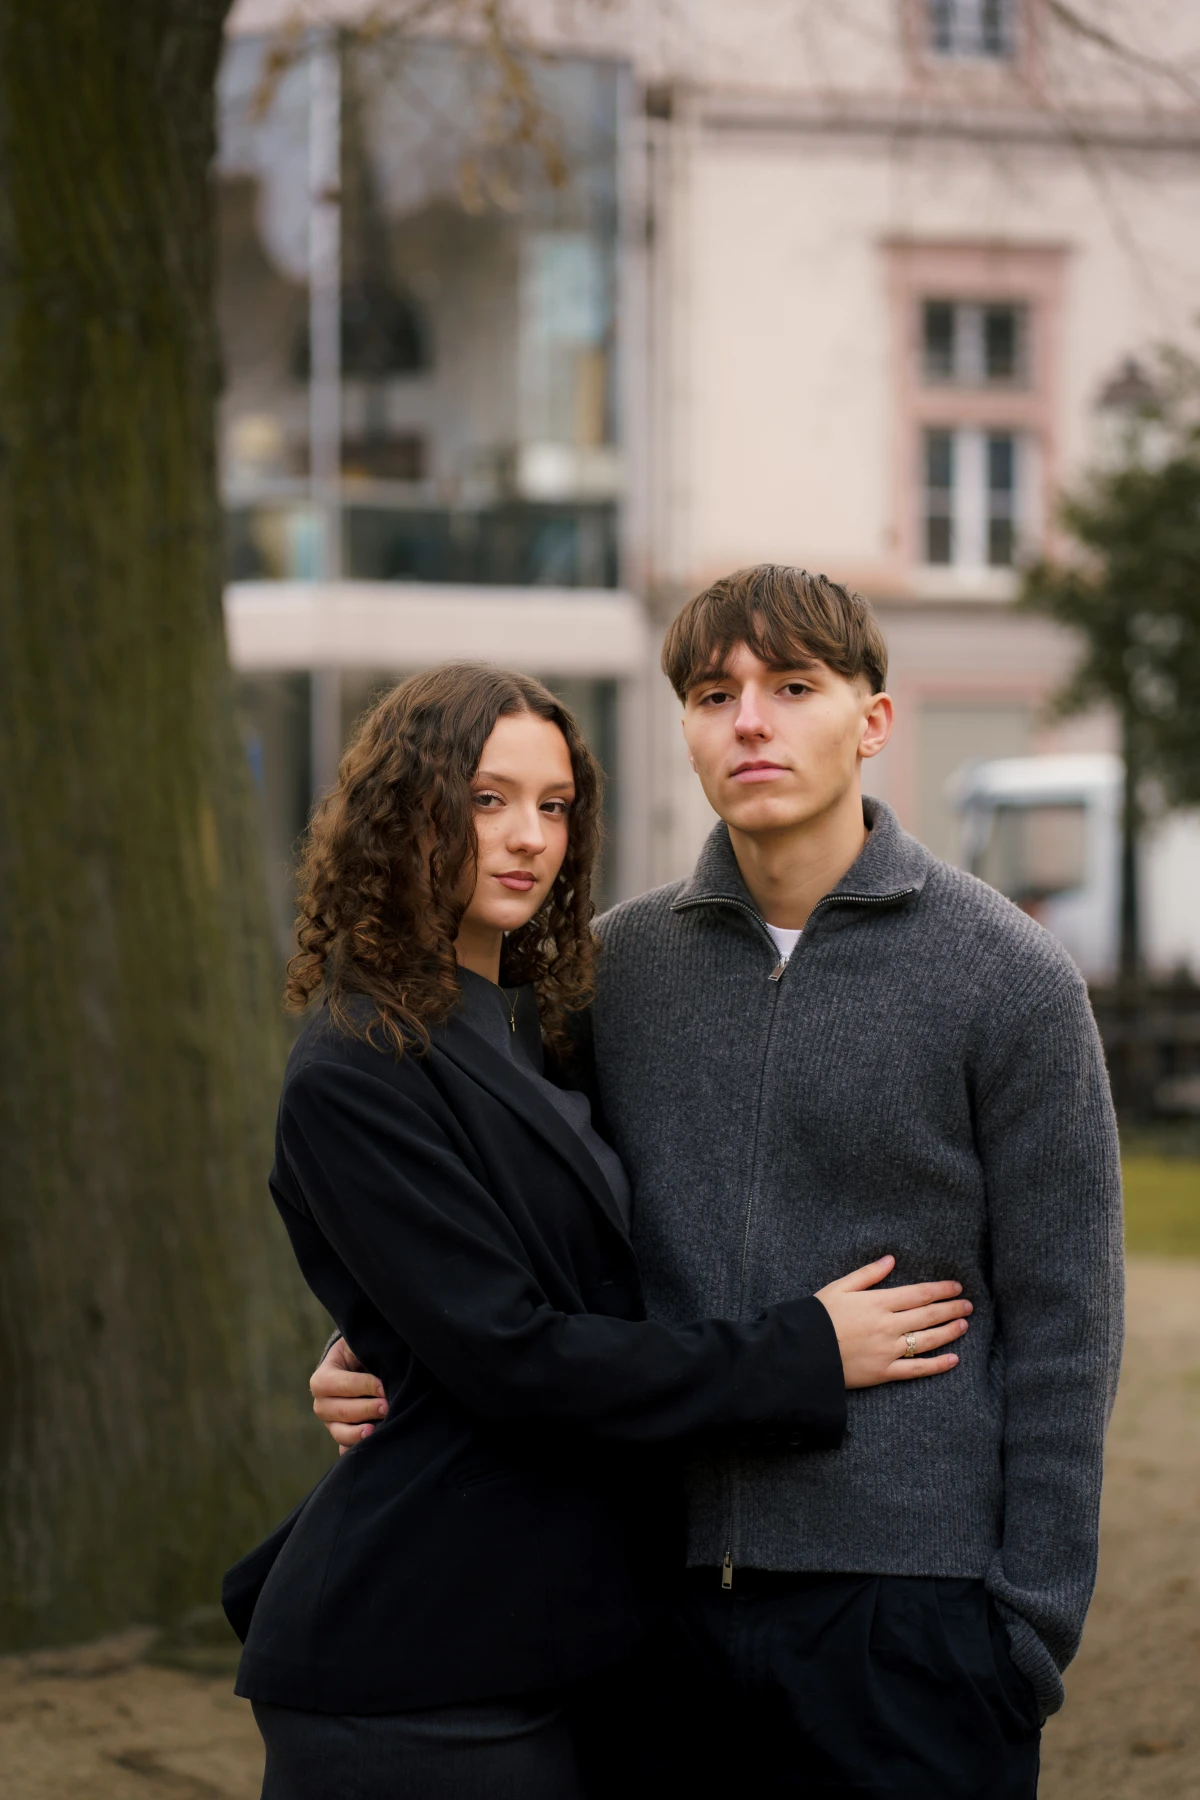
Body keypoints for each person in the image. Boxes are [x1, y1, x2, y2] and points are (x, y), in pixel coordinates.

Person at [314, 569, 1124, 1800]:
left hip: (915, 1622)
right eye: (712, 694)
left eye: (792, 687)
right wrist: (375, 1337)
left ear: (873, 721)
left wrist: (1026, 1629)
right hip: (650, 1611)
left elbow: (1070, 1324)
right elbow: (508, 1207)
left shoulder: (1010, 979)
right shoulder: (606, 972)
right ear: (686, 731)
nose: (750, 720)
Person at [224, 660, 971, 1800]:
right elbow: (515, 1355)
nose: (528, 837)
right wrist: (806, 1352)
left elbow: (546, 1276)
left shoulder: (533, 1025)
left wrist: (390, 1342)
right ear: (404, 811)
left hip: (561, 1641)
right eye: (486, 799)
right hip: (416, 1665)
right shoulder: (356, 1063)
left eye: (555, 805)